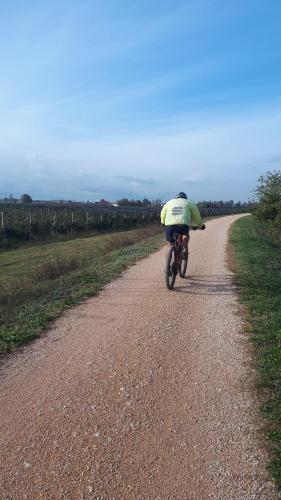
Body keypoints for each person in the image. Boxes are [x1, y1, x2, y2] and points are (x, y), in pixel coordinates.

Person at [160, 192, 205, 257]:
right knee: (186, 235)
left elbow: (163, 213)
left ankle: (168, 261)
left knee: (169, 243)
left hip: (169, 225)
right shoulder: (189, 202)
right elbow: (196, 215)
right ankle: (184, 248)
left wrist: (163, 222)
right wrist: (200, 225)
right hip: (183, 224)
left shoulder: (169, 202)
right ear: (185, 198)